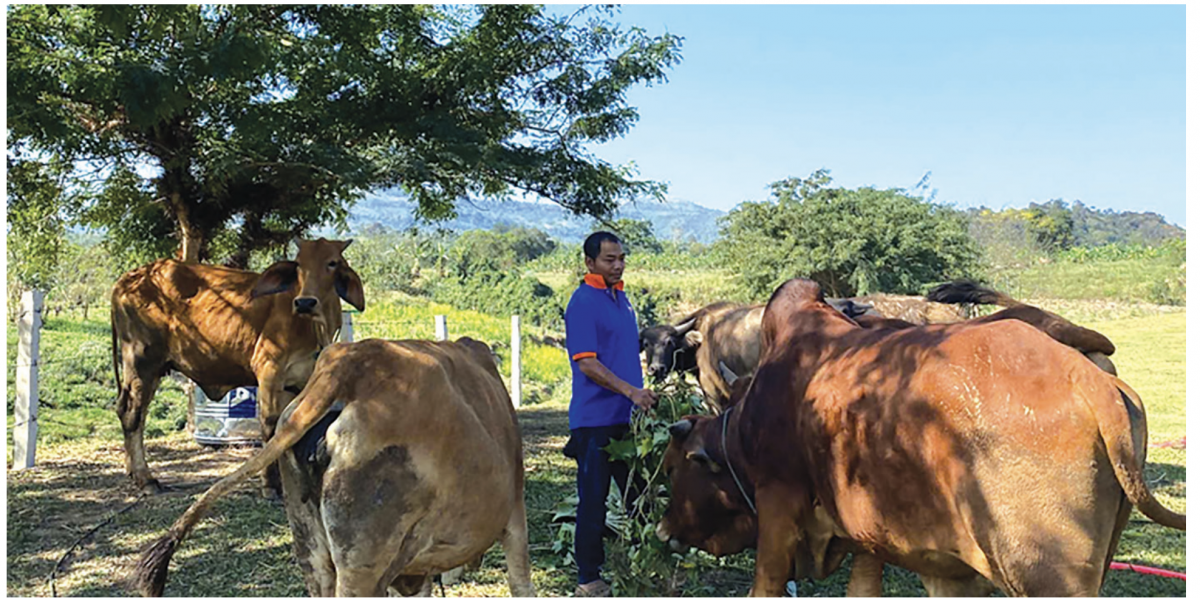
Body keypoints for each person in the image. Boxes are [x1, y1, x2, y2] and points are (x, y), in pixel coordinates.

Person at [563, 231, 657, 597]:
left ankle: (650, 566)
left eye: (621, 258)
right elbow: (587, 363)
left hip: (627, 419)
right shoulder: (583, 302)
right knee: (594, 502)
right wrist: (631, 391)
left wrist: (641, 395)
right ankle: (589, 579)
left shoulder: (622, 299)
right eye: (609, 260)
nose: (617, 265)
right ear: (589, 263)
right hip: (594, 421)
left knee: (641, 497)